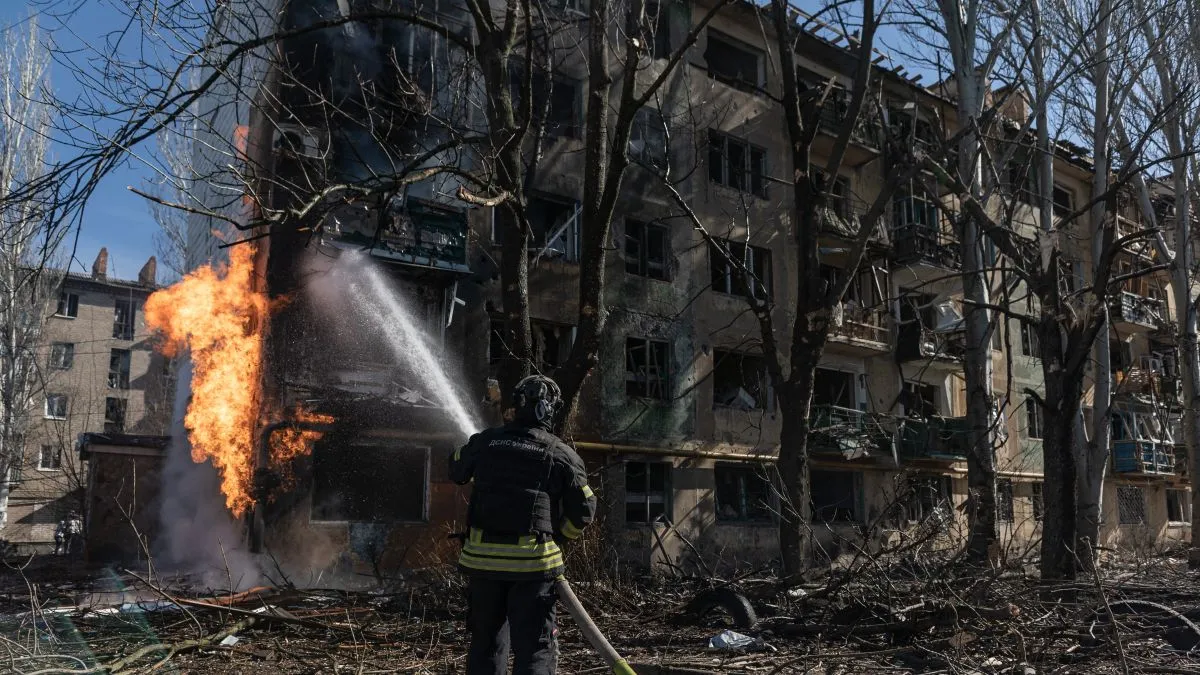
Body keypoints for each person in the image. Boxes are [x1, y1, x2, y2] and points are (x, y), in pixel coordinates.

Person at [450, 375, 596, 675]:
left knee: (485, 645)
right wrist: (559, 539)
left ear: (515, 406)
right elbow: (585, 510)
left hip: (483, 565)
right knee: (535, 648)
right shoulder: (560, 454)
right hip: (532, 569)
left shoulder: (485, 442)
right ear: (549, 410)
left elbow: (455, 468)